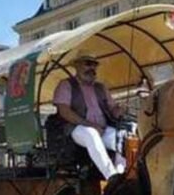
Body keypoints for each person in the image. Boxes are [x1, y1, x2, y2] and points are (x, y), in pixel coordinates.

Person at [52, 54, 126, 183]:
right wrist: (90, 125)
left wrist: (119, 110)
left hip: (102, 129)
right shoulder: (66, 85)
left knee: (122, 137)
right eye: (87, 63)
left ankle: (121, 174)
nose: (91, 68)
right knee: (91, 134)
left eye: (94, 65)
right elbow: (64, 111)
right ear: (77, 66)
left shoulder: (101, 87)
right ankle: (111, 176)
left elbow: (113, 111)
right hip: (77, 129)